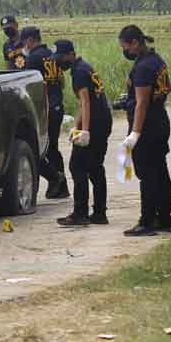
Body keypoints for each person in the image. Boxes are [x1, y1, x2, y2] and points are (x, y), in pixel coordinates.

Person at [119, 25, 171, 237]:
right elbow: (166, 89)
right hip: (160, 121)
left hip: (147, 128)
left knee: (148, 176)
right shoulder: (156, 60)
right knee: (160, 172)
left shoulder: (142, 67)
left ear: (134, 43)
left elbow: (142, 103)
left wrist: (135, 133)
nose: (125, 51)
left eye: (125, 47)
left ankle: (147, 221)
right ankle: (164, 219)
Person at [52, 40, 112, 226]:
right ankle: (99, 213)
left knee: (77, 166)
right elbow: (85, 102)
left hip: (94, 123)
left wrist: (84, 131)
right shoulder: (84, 66)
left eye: (61, 57)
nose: (59, 61)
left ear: (71, 54)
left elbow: (86, 102)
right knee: (95, 168)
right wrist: (76, 126)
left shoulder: (78, 72)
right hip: (102, 120)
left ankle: (80, 213)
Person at [22, 26, 69, 199]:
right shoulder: (52, 54)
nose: (24, 47)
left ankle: (57, 181)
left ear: (30, 40)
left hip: (45, 109)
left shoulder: (33, 59)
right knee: (53, 147)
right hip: (57, 105)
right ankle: (61, 186)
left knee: (40, 149)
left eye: (24, 43)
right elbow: (62, 81)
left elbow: (27, 86)